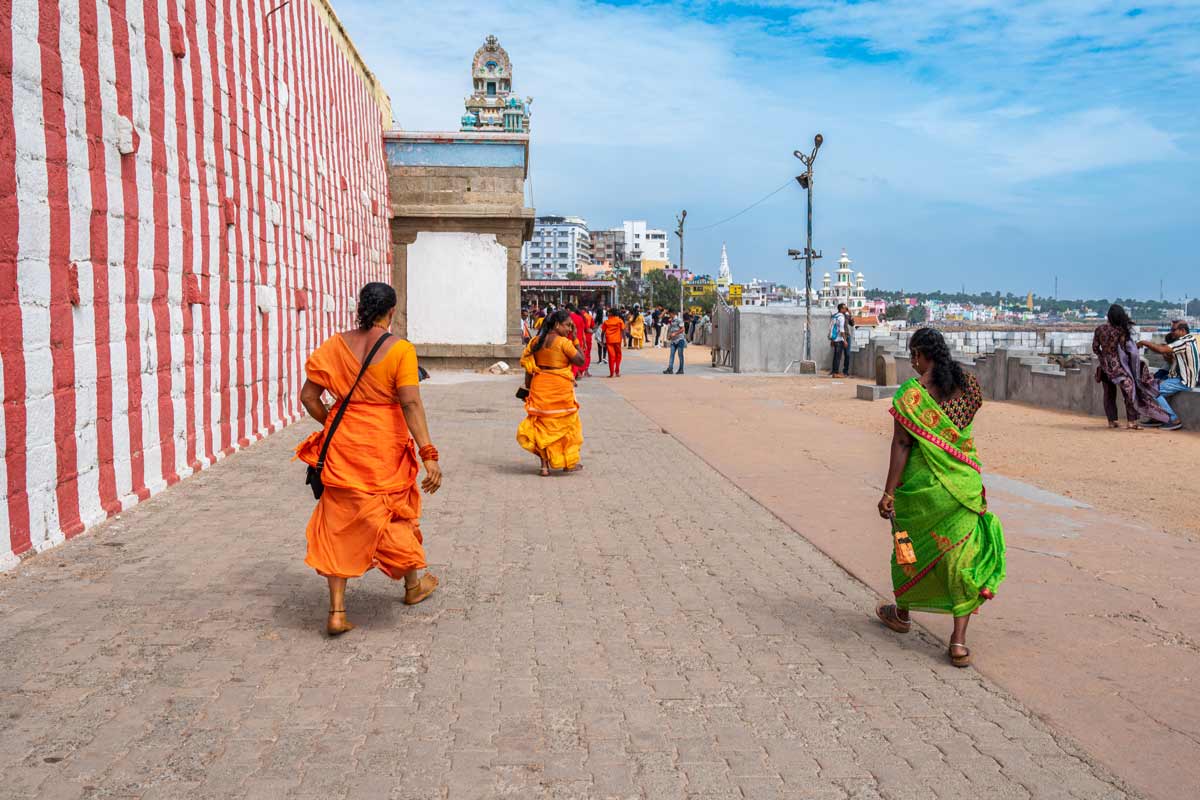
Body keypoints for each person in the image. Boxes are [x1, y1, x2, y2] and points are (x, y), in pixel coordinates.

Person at [296, 282, 442, 636]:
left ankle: (336, 612)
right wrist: (428, 453)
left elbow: (309, 397)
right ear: (391, 312)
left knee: (338, 522)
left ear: (361, 307)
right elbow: (409, 403)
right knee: (395, 512)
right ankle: (412, 586)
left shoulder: (335, 345)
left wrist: (333, 422)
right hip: (384, 448)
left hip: (344, 447)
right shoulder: (400, 350)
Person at [875, 327, 1006, 668]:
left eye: (912, 356)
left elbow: (903, 444)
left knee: (908, 550)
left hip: (921, 490)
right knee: (961, 559)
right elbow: (962, 426)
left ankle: (902, 613)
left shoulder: (910, 396)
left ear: (919, 354)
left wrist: (889, 491)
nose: (912, 363)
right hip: (962, 485)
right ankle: (958, 642)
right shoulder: (968, 386)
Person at [517, 310, 586, 476]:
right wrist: (575, 338)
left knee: (542, 426)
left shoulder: (535, 341)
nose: (570, 328)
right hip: (560, 389)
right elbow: (581, 361)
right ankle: (568, 463)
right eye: (568, 325)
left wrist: (528, 388)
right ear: (557, 325)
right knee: (567, 425)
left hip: (540, 387)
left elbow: (529, 367)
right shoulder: (564, 343)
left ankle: (544, 466)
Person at [1091, 304, 1169, 430]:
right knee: (1129, 392)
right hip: (1120, 369)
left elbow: (1095, 348)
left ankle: (1112, 421)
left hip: (1105, 368)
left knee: (1108, 394)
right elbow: (1129, 351)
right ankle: (1131, 421)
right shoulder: (1121, 331)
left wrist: (1103, 358)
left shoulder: (1099, 329)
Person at [1138, 320, 1198, 431]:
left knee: (1153, 390)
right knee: (1152, 386)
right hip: (1181, 378)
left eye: (1174, 330)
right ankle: (1159, 417)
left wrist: (1144, 342)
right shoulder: (1190, 339)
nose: (1172, 332)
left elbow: (1161, 350)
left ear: (1183, 330)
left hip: (1184, 381)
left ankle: (1173, 419)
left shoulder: (1183, 342)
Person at [601, 308, 625, 377]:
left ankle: (611, 373)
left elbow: (602, 332)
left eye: (609, 312)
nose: (608, 313)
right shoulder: (620, 321)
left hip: (609, 340)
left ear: (611, 313)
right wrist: (625, 340)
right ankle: (617, 371)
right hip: (617, 340)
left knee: (611, 357)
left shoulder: (606, 322)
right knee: (618, 355)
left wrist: (602, 341)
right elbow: (623, 330)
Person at [829, 304, 848, 378]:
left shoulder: (835, 316)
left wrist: (832, 339)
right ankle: (835, 373)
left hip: (834, 338)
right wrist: (845, 340)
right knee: (838, 357)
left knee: (835, 356)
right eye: (844, 308)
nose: (846, 309)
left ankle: (834, 372)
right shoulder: (841, 317)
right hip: (839, 339)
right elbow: (842, 330)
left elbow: (831, 327)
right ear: (841, 309)